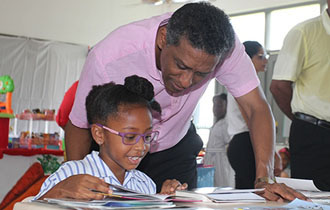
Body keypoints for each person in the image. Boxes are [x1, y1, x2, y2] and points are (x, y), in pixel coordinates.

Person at [66, 2, 307, 200]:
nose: (186, 82)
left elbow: (256, 108)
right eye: (181, 66)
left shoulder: (227, 49)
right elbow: (79, 125)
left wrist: (264, 179)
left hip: (174, 148)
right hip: (117, 151)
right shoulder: (110, 56)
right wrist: (76, 175)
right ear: (163, 38)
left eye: (202, 74)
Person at [34, 75, 187, 200]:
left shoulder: (144, 183)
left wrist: (164, 199)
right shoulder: (73, 172)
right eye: (130, 136)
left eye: (147, 137)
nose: (141, 146)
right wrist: (60, 190)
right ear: (99, 134)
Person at [270, 1, 330, 191]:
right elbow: (279, 86)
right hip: (315, 133)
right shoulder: (304, 32)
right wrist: (303, 121)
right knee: (314, 200)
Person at [226, 41, 270, 189]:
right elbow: (251, 117)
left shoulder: (253, 84)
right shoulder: (240, 83)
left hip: (246, 140)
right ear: (247, 59)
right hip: (245, 141)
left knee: (248, 189)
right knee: (249, 191)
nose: (266, 60)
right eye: (260, 56)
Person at [204, 93, 234, 187]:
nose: (215, 108)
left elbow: (231, 142)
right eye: (214, 105)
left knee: (222, 183)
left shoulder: (227, 123)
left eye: (219, 105)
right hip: (211, 159)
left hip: (221, 160)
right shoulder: (216, 123)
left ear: (227, 106)